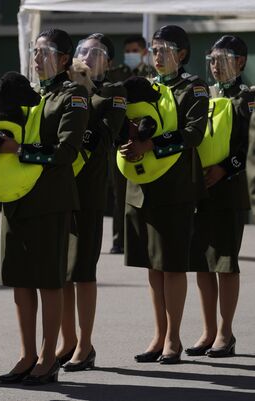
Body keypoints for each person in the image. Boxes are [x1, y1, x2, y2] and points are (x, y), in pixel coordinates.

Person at [0, 28, 88, 385]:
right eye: (34, 52)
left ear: (64, 60)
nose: (36, 58)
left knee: (48, 280)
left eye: (44, 52)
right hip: (16, 197)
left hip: (50, 199)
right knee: (20, 279)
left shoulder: (73, 96)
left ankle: (49, 358)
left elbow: (66, 152)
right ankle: (27, 354)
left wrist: (17, 150)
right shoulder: (25, 95)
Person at [119, 25, 208, 364]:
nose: (156, 56)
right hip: (143, 187)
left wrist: (151, 144)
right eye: (153, 50)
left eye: (163, 50)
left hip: (175, 187)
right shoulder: (146, 86)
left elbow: (193, 133)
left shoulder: (193, 87)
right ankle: (158, 335)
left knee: (172, 265)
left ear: (182, 54)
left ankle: (173, 338)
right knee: (152, 266)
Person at [57, 33, 127, 372]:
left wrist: (81, 94)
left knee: (83, 270)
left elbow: (104, 135)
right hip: (55, 191)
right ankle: (67, 340)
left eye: (94, 53)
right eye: (81, 51)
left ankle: (85, 345)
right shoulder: (59, 93)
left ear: (108, 62)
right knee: (61, 273)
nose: (85, 58)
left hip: (88, 192)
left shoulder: (112, 94)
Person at [186, 35, 253, 358]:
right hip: (200, 188)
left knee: (225, 263)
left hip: (229, 187)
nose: (215, 65)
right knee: (202, 262)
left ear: (240, 62)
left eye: (222, 59)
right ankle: (208, 329)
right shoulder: (204, 94)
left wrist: (225, 168)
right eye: (211, 59)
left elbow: (248, 145)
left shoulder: (248, 97)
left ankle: (226, 333)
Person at [108, 34, 155, 255]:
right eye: (127, 51)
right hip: (122, 140)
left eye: (134, 51)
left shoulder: (152, 74)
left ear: (145, 52)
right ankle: (119, 239)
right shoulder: (116, 74)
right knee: (120, 192)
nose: (130, 55)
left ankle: (145, 236)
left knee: (146, 190)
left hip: (146, 139)